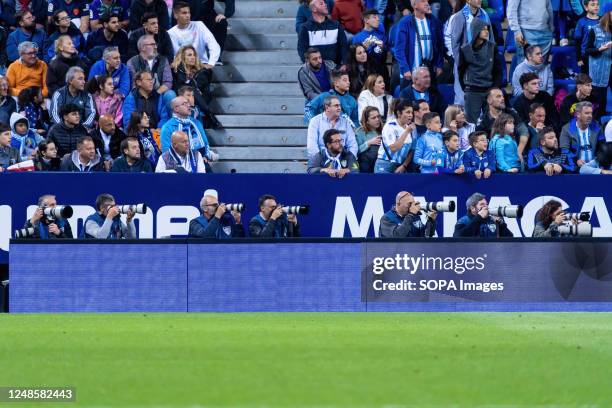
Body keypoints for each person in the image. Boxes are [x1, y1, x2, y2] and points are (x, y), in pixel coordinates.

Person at [449, 0, 495, 105]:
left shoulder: (485, 15)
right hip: (465, 62)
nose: (479, 0)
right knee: (462, 97)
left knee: (482, 95)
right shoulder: (459, 16)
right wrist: (460, 62)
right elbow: (455, 43)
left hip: (482, 62)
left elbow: (491, 38)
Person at [458, 18, 503, 123]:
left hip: (489, 90)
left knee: (493, 121)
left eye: (487, 29)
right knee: (471, 122)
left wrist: (494, 88)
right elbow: (461, 70)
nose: (486, 31)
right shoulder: (465, 49)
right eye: (483, 29)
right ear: (475, 30)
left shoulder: (492, 47)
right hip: (472, 90)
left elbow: (498, 70)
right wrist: (466, 87)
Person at [394, 0, 444, 88]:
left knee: (431, 99)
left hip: (430, 71)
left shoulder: (434, 21)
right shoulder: (405, 22)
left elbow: (440, 45)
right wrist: (405, 69)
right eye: (422, 1)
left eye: (427, 1)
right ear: (414, 5)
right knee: (408, 101)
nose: (427, 3)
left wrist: (439, 64)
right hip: (411, 73)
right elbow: (399, 50)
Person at [160, 96, 216, 163]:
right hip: (179, 165)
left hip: (200, 161)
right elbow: (167, 153)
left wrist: (205, 156)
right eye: (184, 104)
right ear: (176, 109)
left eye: (188, 103)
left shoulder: (196, 123)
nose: (188, 105)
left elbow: (205, 143)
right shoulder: (167, 127)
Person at [171, 45, 217, 125]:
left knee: (196, 92)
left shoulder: (201, 72)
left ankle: (205, 113)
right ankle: (208, 113)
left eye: (194, 55)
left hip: (198, 101)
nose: (193, 57)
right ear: (182, 57)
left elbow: (206, 92)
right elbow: (178, 87)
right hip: (181, 98)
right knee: (190, 90)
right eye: (189, 55)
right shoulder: (176, 70)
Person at [168, 2, 220, 67]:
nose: (188, 15)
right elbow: (174, 55)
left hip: (201, 64)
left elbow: (213, 44)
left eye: (188, 12)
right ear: (175, 15)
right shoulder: (170, 33)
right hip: (181, 67)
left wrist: (211, 63)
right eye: (184, 13)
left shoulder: (199, 25)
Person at [297, 0, 348, 67]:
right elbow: (302, 49)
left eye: (325, 3)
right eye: (321, 4)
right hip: (315, 69)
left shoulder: (336, 25)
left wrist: (344, 63)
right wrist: (309, 65)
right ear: (314, 9)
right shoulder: (305, 28)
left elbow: (343, 46)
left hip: (335, 68)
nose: (325, 4)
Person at [583, 3, 612, 113]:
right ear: (607, 14)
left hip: (611, 68)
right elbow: (588, 50)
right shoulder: (595, 30)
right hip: (599, 71)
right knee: (599, 105)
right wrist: (601, 49)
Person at [374, 100, 415, 173]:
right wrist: (406, 132)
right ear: (399, 113)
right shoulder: (390, 126)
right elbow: (393, 148)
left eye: (412, 112)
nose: (411, 115)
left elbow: (412, 150)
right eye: (408, 112)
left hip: (400, 166)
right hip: (384, 165)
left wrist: (404, 165)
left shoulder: (411, 128)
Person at [127, 35, 174, 99]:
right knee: (131, 96)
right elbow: (134, 84)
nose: (156, 47)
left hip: (159, 93)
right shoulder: (132, 62)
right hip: (141, 94)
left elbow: (168, 82)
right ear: (143, 47)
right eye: (152, 44)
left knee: (170, 94)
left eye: (155, 44)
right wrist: (145, 95)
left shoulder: (163, 60)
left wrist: (156, 93)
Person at [560, 101, 604, 169]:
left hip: (595, 167)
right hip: (575, 168)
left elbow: (602, 147)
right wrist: (576, 160)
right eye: (586, 113)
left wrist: (599, 160)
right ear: (578, 114)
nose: (590, 116)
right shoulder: (566, 129)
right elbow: (564, 151)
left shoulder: (597, 127)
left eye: (591, 113)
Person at [351, 9, 387, 74]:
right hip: (366, 71)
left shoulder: (381, 34)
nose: (378, 19)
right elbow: (355, 59)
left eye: (378, 17)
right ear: (366, 20)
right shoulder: (357, 38)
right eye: (374, 17)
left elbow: (384, 55)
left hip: (381, 69)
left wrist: (382, 48)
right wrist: (364, 49)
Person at [574, 0, 600, 72]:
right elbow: (577, 41)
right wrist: (579, 58)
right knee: (587, 80)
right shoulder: (582, 22)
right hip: (586, 56)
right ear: (586, 7)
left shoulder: (603, 20)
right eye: (593, 4)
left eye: (597, 4)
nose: (596, 6)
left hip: (601, 55)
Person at [355, 106, 382, 173]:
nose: (377, 119)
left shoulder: (384, 130)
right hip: (365, 164)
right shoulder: (360, 132)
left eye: (378, 116)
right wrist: (368, 143)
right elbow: (356, 151)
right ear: (367, 121)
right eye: (373, 118)